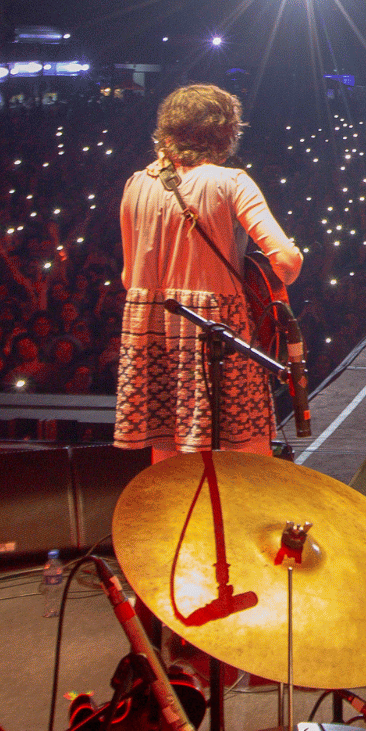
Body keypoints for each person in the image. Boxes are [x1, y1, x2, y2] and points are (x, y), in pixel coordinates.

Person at [115, 84, 301, 462]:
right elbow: (286, 262)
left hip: (149, 332)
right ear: (226, 133)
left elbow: (127, 278)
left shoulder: (136, 184)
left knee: (168, 462)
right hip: (216, 328)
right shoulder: (231, 182)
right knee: (247, 457)